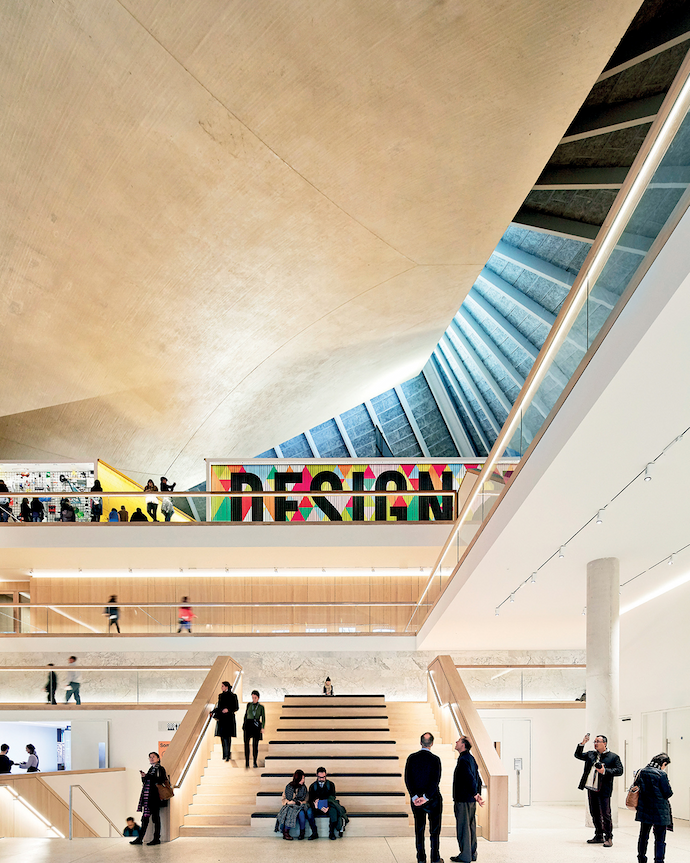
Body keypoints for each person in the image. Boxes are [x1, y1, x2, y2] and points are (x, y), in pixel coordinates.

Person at [575, 733, 623, 847]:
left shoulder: (613, 757)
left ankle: (609, 837)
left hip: (604, 789)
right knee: (594, 812)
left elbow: (619, 771)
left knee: (606, 814)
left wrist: (605, 771)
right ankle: (598, 835)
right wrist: (582, 743)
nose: (595, 744)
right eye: (594, 742)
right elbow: (577, 755)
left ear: (605, 743)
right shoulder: (591, 754)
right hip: (591, 788)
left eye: (598, 741)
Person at [405, 732, 443, 863]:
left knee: (419, 829)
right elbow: (435, 780)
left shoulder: (411, 758)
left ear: (420, 742)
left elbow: (408, 779)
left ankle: (421, 858)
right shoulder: (435, 759)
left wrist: (415, 796)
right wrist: (426, 797)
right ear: (432, 743)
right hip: (433, 799)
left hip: (416, 800)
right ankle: (435, 858)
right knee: (435, 831)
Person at [450, 736, 484, 863]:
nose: (456, 742)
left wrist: (475, 793)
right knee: (471, 826)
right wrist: (477, 794)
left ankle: (465, 856)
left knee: (463, 827)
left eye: (458, 741)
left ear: (463, 745)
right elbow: (477, 778)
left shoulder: (463, 760)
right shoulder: (471, 758)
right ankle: (472, 853)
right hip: (470, 800)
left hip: (463, 800)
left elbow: (469, 777)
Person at [636, 752, 673, 863]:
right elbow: (668, 793)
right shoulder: (661, 774)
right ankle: (659, 860)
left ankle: (641, 858)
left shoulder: (642, 771)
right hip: (659, 811)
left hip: (644, 808)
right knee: (660, 838)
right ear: (664, 763)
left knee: (643, 835)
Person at [131, 751, 167, 846]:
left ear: (158, 758)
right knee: (145, 819)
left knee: (155, 819)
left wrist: (147, 776)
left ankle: (156, 839)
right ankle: (140, 838)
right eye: (150, 757)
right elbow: (147, 782)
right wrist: (144, 777)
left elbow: (159, 780)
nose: (151, 759)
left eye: (153, 757)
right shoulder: (151, 769)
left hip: (155, 798)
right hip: (148, 798)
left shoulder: (160, 769)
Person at [275, 769, 310, 840]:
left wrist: (301, 802)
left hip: (299, 806)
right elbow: (284, 799)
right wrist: (289, 802)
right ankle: (286, 832)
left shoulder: (304, 788)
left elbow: (306, 800)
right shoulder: (289, 787)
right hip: (290, 806)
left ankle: (302, 832)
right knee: (290, 812)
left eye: (304, 778)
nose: (303, 780)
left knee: (302, 814)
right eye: (302, 778)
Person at [307, 766, 339, 840]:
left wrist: (328, 807)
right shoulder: (312, 786)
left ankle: (331, 833)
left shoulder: (331, 785)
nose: (322, 779)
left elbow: (333, 797)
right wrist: (315, 805)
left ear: (326, 775)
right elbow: (310, 799)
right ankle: (314, 832)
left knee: (333, 811)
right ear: (316, 775)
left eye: (323, 777)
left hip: (328, 806)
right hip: (316, 807)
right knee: (309, 812)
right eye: (320, 777)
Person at [212, 680, 239, 761]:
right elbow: (219, 706)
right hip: (222, 719)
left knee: (227, 737)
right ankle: (225, 754)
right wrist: (213, 712)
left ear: (226, 687)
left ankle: (227, 754)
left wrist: (228, 710)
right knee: (223, 737)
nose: (221, 687)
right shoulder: (220, 696)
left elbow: (236, 707)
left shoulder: (233, 696)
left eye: (223, 686)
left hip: (229, 719)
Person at [242, 690, 266, 768]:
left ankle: (255, 761)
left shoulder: (261, 707)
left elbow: (263, 718)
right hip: (248, 724)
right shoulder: (249, 705)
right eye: (252, 697)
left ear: (258, 698)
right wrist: (244, 724)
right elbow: (246, 715)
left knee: (255, 745)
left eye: (255, 698)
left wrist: (262, 727)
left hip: (256, 725)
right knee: (246, 744)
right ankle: (247, 762)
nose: (253, 699)